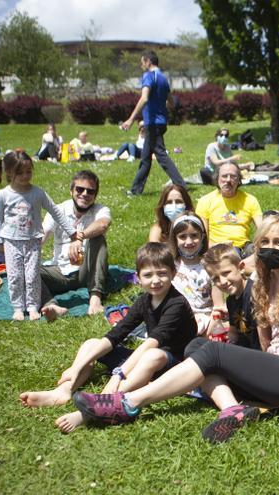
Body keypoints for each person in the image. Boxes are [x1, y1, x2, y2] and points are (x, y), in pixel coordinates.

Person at [71, 212, 279, 444]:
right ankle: (232, 410)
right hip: (275, 370)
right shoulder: (267, 278)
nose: (271, 249)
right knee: (195, 348)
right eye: (264, 243)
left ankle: (128, 403)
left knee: (211, 351)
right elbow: (232, 270)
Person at [19, 242, 197, 434]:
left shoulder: (176, 304)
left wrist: (118, 375)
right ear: (138, 277)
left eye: (162, 273)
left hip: (172, 365)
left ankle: (98, 408)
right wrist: (76, 367)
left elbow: (152, 344)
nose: (155, 280)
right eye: (148, 275)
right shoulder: (144, 300)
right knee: (92, 344)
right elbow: (116, 335)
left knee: (153, 354)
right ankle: (64, 390)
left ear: (173, 273)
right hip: (146, 358)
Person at [0, 150, 75, 321]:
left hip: (33, 242)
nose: (25, 176)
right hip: (11, 242)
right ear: (9, 173)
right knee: (15, 276)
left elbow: (56, 212)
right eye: (20, 173)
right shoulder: (3, 194)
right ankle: (17, 307)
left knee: (32, 276)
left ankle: (32, 306)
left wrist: (72, 232)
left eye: (28, 171)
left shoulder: (38, 193)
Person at [39, 170, 111, 321]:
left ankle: (95, 299)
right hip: (59, 270)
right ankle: (52, 306)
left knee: (98, 239)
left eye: (90, 191)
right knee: (28, 270)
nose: (85, 194)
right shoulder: (58, 210)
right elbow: (42, 237)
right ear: (71, 191)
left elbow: (103, 224)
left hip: (86, 271)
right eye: (80, 189)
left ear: (95, 195)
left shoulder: (100, 210)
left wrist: (80, 237)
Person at [121, 50, 187, 196]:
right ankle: (135, 190)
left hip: (152, 123)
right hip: (161, 122)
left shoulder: (149, 76)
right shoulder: (163, 78)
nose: (141, 65)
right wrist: (160, 107)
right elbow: (170, 102)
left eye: (142, 62)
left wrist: (131, 119)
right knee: (145, 158)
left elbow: (144, 98)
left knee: (161, 156)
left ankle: (181, 186)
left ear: (148, 62)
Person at [195, 162, 263, 254]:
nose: (228, 180)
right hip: (217, 248)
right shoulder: (205, 201)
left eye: (233, 176)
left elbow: (262, 228)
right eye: (224, 176)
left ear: (239, 179)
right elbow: (202, 237)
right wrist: (215, 246)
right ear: (217, 178)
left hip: (244, 247)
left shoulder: (250, 200)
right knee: (233, 253)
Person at [202, 244, 259, 349]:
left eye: (226, 273)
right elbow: (233, 332)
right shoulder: (230, 301)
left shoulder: (254, 294)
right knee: (198, 344)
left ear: (241, 267)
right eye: (215, 278)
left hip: (257, 353)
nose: (222, 281)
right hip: (242, 348)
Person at [169, 213, 217, 335]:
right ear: (175, 238)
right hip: (176, 316)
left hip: (205, 318)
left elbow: (218, 306)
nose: (189, 241)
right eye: (182, 236)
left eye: (194, 235)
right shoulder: (170, 265)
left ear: (202, 237)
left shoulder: (210, 265)